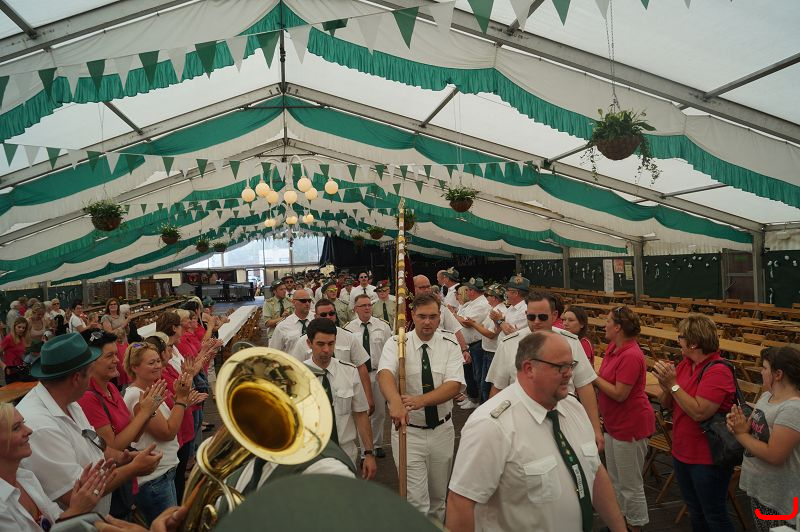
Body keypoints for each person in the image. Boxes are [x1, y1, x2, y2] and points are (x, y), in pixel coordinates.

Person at [446, 332, 627, 532]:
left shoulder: (573, 408)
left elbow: (596, 474)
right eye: (560, 367)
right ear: (529, 368)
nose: (569, 374)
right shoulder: (491, 426)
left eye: (571, 365)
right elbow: (460, 504)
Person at [16, 333, 163, 516]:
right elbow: (76, 494)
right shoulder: (40, 426)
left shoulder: (69, 401)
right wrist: (133, 469)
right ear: (76, 378)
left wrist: (122, 458)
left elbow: (93, 443)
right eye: (90, 370)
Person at [378, 293, 465, 521]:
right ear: (412, 316)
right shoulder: (397, 343)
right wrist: (395, 402)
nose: (427, 322)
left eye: (433, 317)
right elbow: (385, 374)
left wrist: (420, 401)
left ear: (440, 317)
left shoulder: (450, 345)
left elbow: (454, 385)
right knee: (416, 502)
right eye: (422, 316)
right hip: (409, 433)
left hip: (442, 432)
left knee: (438, 500)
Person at [486, 290, 604, 451]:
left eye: (542, 317)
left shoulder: (571, 342)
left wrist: (595, 429)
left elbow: (584, 386)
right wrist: (493, 428)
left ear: (554, 316)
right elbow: (498, 389)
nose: (536, 322)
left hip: (564, 417)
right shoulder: (509, 344)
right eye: (531, 317)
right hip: (523, 421)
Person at [652, 313, 736, 532]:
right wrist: (665, 384)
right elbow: (667, 403)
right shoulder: (685, 365)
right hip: (683, 451)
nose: (678, 340)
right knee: (696, 512)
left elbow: (699, 412)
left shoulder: (718, 370)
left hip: (707, 457)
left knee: (714, 515)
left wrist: (673, 385)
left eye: (681, 337)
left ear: (693, 343)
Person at [77, 332, 166, 519]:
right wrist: (144, 413)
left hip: (123, 480)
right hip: (110, 487)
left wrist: (148, 411)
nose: (117, 360)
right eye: (109, 356)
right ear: (91, 361)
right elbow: (112, 446)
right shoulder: (88, 397)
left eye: (116, 354)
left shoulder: (111, 388)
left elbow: (133, 436)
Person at [123, 342, 206, 525]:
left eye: (158, 361)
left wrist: (181, 402)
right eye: (151, 363)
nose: (158, 366)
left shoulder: (151, 391)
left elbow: (168, 420)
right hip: (155, 479)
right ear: (135, 367)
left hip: (163, 472)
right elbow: (168, 432)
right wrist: (181, 400)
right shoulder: (137, 396)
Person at [592, 307, 654, 532]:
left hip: (630, 426)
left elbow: (620, 394)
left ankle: (635, 527)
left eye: (608, 321)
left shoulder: (631, 355)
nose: (604, 324)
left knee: (630, 485)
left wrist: (593, 378)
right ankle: (620, 525)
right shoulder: (613, 348)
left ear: (618, 327)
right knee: (616, 481)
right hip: (614, 424)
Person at [0, 403, 108, 531]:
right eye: (16, 428)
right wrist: (77, 510)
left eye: (23, 423)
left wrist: (80, 496)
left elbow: (55, 519)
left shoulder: (26, 477)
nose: (29, 430)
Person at [727, 345, 800, 532]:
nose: (761, 372)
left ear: (778, 374)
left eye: (765, 368)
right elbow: (749, 429)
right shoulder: (767, 396)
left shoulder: (793, 409)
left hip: (780, 498)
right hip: (762, 489)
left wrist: (740, 434)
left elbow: (774, 455)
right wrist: (738, 424)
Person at [302, 318, 377, 476]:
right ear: (309, 343)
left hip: (345, 453)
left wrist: (369, 453)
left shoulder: (349, 372)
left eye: (331, 344)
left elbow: (360, 415)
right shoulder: (298, 376)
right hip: (311, 457)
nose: (326, 350)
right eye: (320, 344)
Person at [289, 299, 374, 415]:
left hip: (346, 393)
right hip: (317, 394)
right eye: (323, 314)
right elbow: (295, 372)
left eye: (331, 313)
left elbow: (361, 367)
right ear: (315, 316)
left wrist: (368, 397)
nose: (328, 317)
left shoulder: (349, 337)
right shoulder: (304, 341)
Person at [344, 293, 393, 458]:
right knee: (362, 412)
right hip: (358, 375)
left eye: (369, 305)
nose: (367, 308)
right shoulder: (348, 329)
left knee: (379, 413)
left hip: (378, 373)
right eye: (363, 306)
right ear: (355, 309)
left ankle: (377, 444)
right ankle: (366, 450)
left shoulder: (383, 326)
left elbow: (389, 351)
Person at [462, 284, 505, 403]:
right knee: (482, 381)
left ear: (495, 298)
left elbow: (491, 334)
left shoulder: (499, 311)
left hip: (492, 352)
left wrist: (472, 323)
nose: (486, 297)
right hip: (487, 349)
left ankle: (485, 407)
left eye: (488, 295)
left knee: (487, 384)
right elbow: (484, 326)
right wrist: (475, 324)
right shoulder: (493, 309)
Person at [455, 278, 492, 408]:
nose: (467, 292)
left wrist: (453, 315)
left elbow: (466, 323)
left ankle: (479, 402)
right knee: (472, 374)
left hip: (478, 344)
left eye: (468, 290)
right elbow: (463, 320)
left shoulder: (481, 304)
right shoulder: (473, 303)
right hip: (471, 344)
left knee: (479, 375)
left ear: (473, 291)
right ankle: (474, 399)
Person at [269, 289, 314, 354]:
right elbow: (274, 351)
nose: (307, 303)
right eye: (303, 301)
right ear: (293, 302)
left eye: (309, 300)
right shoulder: (283, 326)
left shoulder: (317, 319)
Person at [490, 275, 529, 343]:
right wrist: (496, 320)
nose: (506, 293)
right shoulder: (511, 307)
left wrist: (500, 320)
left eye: (507, 290)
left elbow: (511, 334)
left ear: (515, 293)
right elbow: (497, 330)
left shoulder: (524, 310)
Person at [2, 317, 30, 384]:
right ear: (14, 327)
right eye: (19, 327)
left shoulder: (22, 338)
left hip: (20, 368)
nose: (21, 329)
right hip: (11, 370)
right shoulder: (9, 338)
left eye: (23, 328)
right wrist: (3, 366)